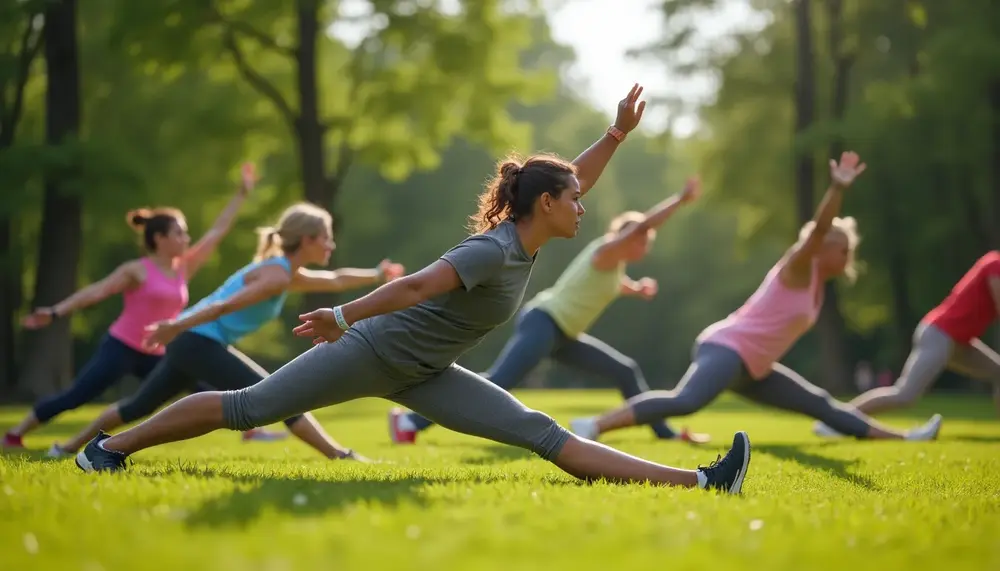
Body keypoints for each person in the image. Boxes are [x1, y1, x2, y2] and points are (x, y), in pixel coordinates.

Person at [75, 85, 752, 495]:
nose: (584, 206)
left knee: (540, 432)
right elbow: (422, 284)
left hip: (427, 370)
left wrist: (614, 135)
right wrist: (342, 313)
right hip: (372, 349)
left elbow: (571, 175)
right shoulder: (493, 248)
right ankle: (108, 449)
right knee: (250, 406)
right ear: (544, 204)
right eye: (573, 200)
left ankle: (702, 480)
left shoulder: (529, 233)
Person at [569, 151, 943, 443]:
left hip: (754, 367)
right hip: (727, 349)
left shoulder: (815, 284)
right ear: (825, 248)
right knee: (685, 401)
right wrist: (838, 189)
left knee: (819, 403)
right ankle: (592, 425)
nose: (848, 259)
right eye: (843, 250)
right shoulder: (798, 266)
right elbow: (816, 233)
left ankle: (906, 437)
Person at [57, 202, 406, 462]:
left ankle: (72, 448)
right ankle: (338, 455)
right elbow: (224, 306)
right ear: (308, 239)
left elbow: (337, 279)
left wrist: (377, 274)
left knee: (137, 406)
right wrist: (176, 325)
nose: (331, 245)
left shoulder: (285, 271)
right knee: (283, 393)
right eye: (327, 238)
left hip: (191, 340)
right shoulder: (276, 275)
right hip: (196, 339)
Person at [389, 177, 709, 445]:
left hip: (565, 336)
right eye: (643, 239)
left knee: (624, 370)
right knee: (498, 381)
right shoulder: (606, 251)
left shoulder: (614, 267)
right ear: (627, 236)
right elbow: (644, 226)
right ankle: (409, 422)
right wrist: (679, 199)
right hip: (544, 322)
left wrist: (637, 289)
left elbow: (616, 285)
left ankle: (663, 433)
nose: (646, 245)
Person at [2, 164, 259, 455]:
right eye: (180, 233)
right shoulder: (137, 271)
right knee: (77, 395)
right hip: (121, 347)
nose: (186, 239)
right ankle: (15, 434)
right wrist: (55, 312)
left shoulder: (183, 268)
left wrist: (241, 194)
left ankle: (251, 427)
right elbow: (96, 291)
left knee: (202, 389)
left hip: (159, 352)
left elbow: (217, 232)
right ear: (159, 238)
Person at [814, 251, 1000, 437]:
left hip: (960, 340)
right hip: (940, 334)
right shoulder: (994, 264)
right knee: (904, 395)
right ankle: (834, 421)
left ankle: (836, 420)